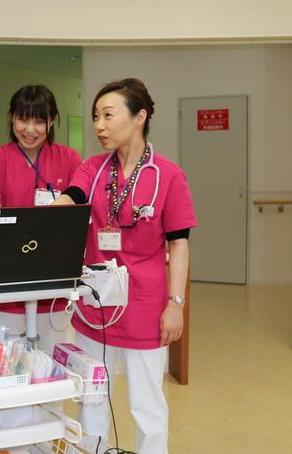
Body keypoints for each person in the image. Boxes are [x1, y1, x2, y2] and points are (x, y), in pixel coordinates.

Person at [55, 78, 197, 454]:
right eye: (95, 117)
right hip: (95, 305)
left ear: (139, 117)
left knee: (147, 406)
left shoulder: (168, 175)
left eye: (108, 115)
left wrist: (176, 304)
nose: (98, 126)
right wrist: (49, 212)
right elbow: (73, 196)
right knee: (91, 399)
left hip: (145, 306)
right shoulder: (93, 169)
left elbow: (179, 245)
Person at [0, 85, 82, 354]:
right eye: (23, 119)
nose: (30, 129)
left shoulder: (69, 159)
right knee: (8, 362)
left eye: (39, 121)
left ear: (52, 121)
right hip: (8, 282)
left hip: (54, 282)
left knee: (52, 362)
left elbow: (77, 217)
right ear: (11, 117)